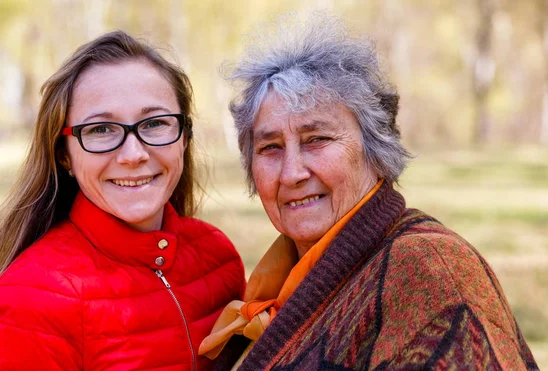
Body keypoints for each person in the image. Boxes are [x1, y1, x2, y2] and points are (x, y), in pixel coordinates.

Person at [198, 14, 538, 370]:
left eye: (317, 139)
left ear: (375, 150)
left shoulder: (429, 269)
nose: (292, 173)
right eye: (270, 147)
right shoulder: (276, 281)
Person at [0, 30, 245, 370]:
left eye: (156, 123)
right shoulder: (32, 296)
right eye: (101, 129)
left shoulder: (217, 258)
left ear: (185, 137)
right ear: (64, 155)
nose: (133, 154)